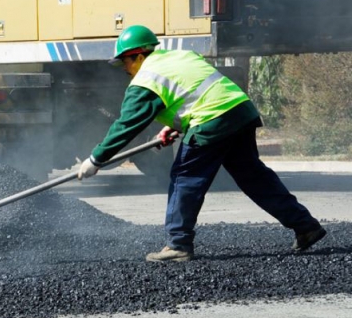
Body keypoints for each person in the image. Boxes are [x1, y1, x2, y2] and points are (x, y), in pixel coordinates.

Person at [77, 25, 326, 262]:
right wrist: (174, 126)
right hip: (239, 111)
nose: (124, 68)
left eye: (124, 62)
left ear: (138, 55)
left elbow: (126, 125)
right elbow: (195, 92)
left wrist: (96, 159)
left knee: (185, 177)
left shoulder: (145, 79)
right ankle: (306, 226)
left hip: (212, 120)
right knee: (253, 176)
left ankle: (177, 245)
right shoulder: (180, 57)